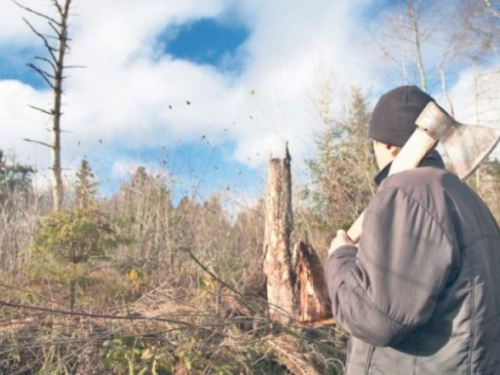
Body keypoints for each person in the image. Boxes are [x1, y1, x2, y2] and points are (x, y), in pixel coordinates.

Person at [325, 85, 500, 374]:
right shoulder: (469, 202)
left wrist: (340, 257)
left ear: (388, 145)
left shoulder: (408, 192)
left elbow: (375, 319)